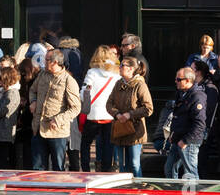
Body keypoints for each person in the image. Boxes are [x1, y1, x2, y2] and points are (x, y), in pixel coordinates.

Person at [30, 49, 81, 172]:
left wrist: (58, 120)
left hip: (57, 132)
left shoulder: (68, 80)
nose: (43, 62)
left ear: (55, 62)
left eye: (46, 60)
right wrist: (33, 101)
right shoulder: (42, 75)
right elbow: (32, 90)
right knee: (37, 168)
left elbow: (76, 108)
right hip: (38, 128)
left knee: (58, 168)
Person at [107, 54, 153, 177]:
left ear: (131, 69)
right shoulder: (118, 84)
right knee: (121, 165)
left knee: (134, 164)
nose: (119, 67)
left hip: (135, 132)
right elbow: (109, 103)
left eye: (122, 65)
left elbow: (148, 108)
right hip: (120, 130)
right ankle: (124, 190)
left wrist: (130, 114)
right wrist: (117, 114)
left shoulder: (140, 85)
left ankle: (138, 188)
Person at [80, 45, 119, 173]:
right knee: (108, 146)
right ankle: (106, 171)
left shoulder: (92, 73)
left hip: (93, 115)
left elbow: (84, 93)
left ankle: (86, 170)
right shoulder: (116, 75)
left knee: (85, 144)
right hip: (109, 115)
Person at [166, 67, 206, 180]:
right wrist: (172, 135)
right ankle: (173, 193)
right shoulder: (181, 93)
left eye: (178, 79)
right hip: (178, 138)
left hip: (189, 141)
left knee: (190, 173)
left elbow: (200, 124)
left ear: (188, 81)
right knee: (169, 168)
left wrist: (186, 140)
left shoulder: (197, 97)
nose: (176, 81)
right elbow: (178, 116)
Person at [0, 65, 21, 169]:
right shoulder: (3, 92)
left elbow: (2, 111)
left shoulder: (12, 93)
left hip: (5, 132)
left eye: (1, 78)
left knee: (3, 160)